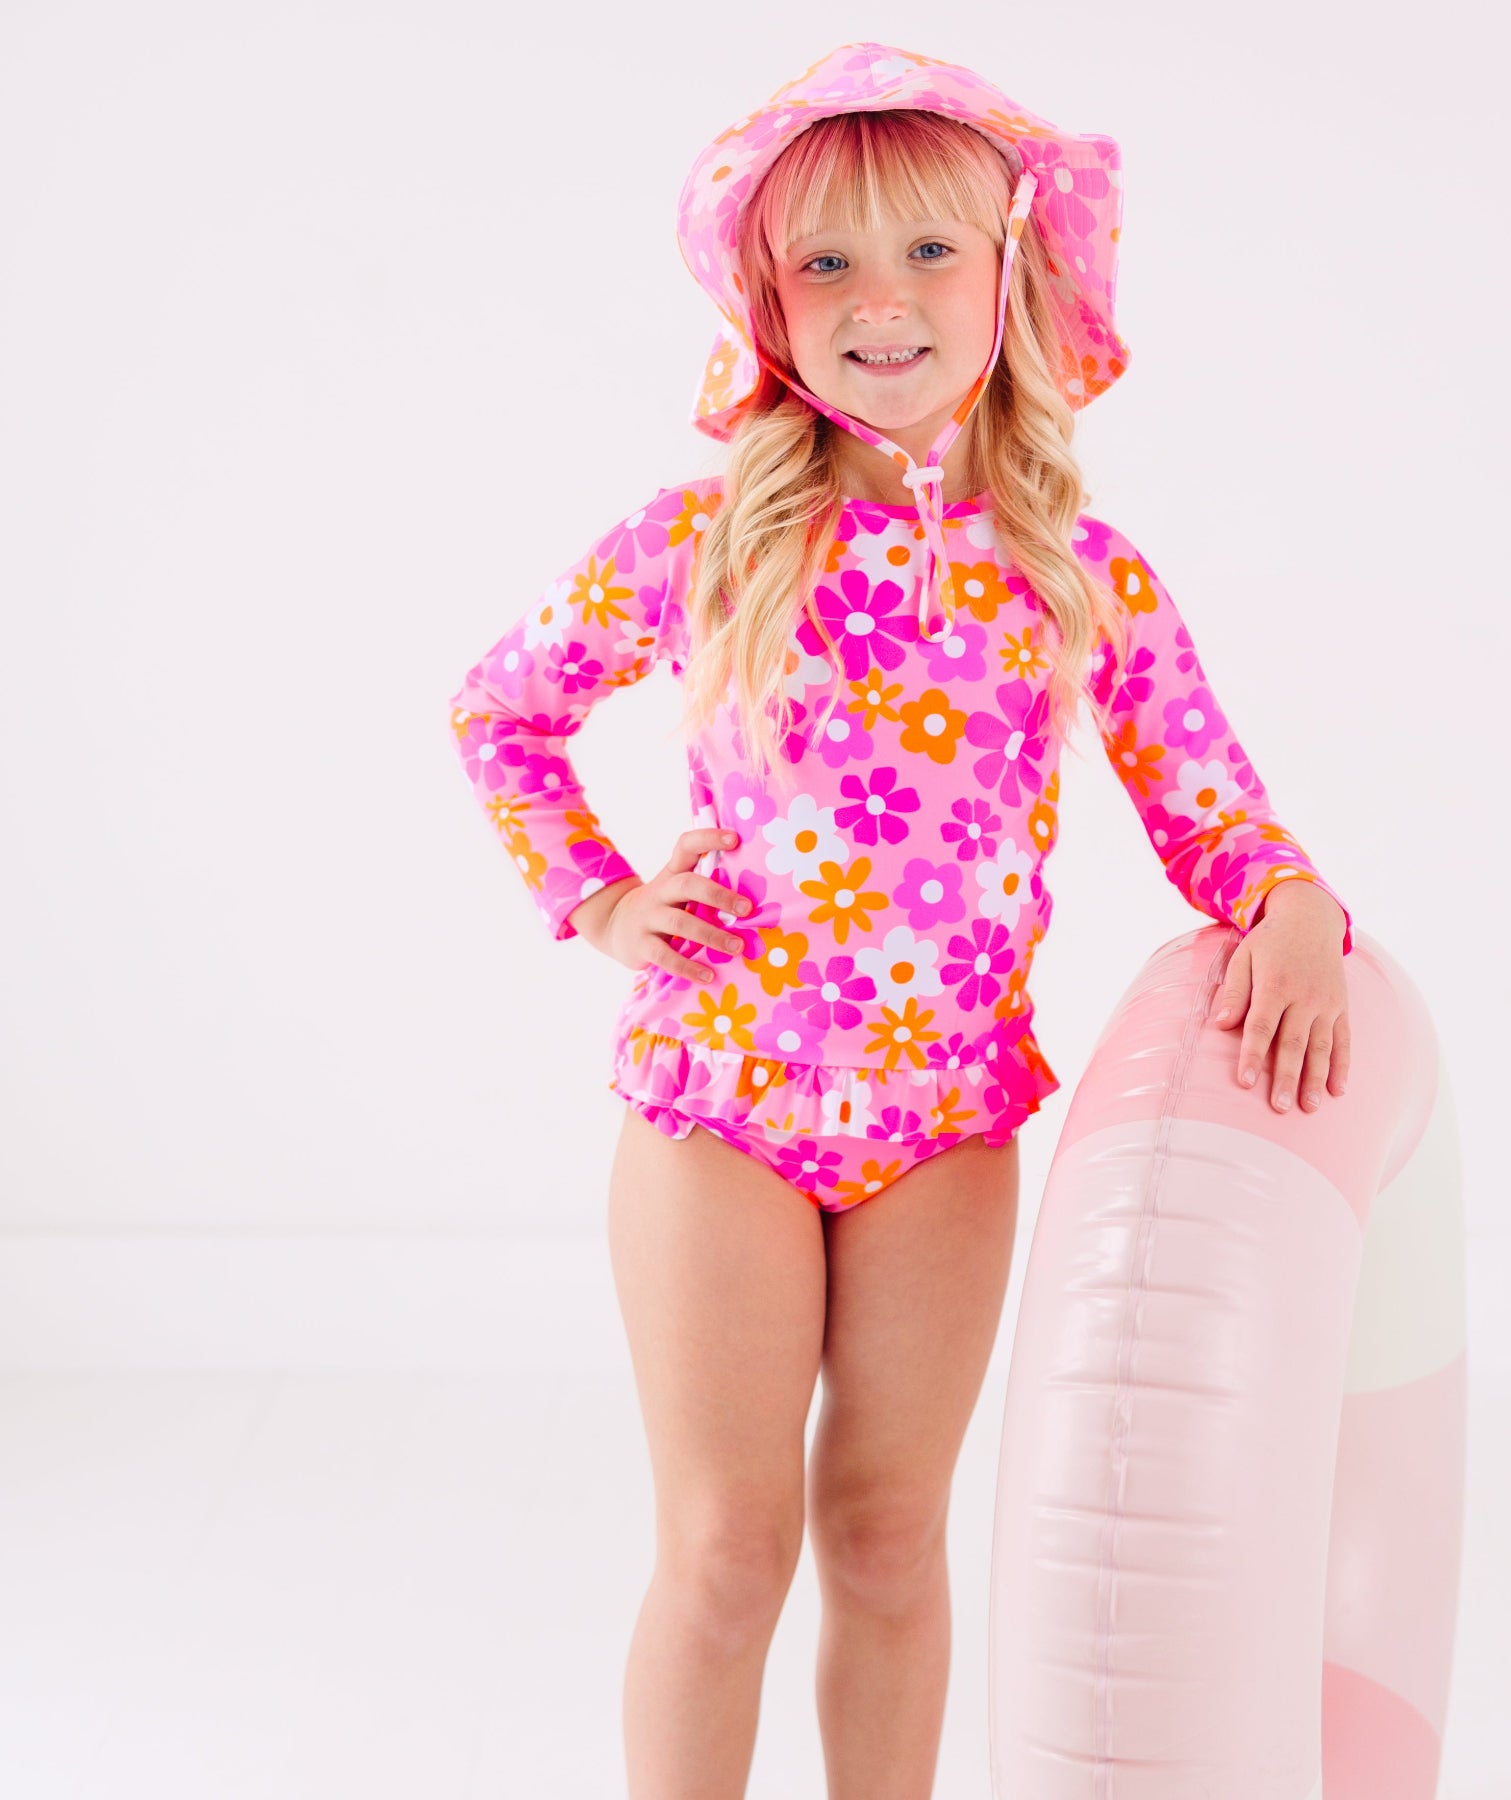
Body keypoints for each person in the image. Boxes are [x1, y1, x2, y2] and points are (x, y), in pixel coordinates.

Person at [448, 41, 1354, 1798]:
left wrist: (1295, 899)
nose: (886, 300)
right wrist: (602, 894)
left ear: (1011, 271)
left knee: (884, 1536)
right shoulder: (706, 538)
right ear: (772, 307)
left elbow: (1207, 799)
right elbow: (500, 710)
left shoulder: (1070, 568)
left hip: (946, 1119)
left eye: (931, 252)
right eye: (831, 264)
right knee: (726, 1551)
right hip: (723, 1100)